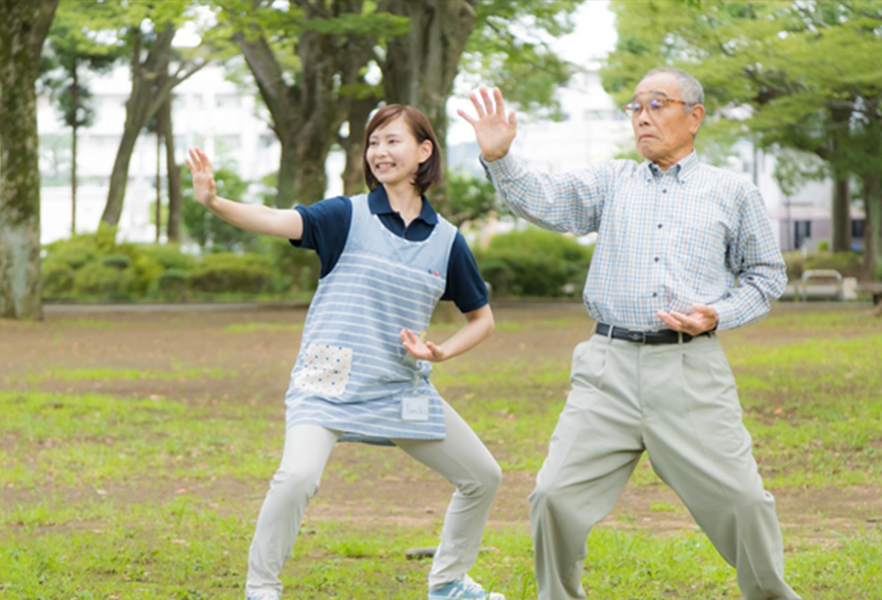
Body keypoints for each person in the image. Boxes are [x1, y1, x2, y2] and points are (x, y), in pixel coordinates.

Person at [458, 68, 802, 600]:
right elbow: (547, 201)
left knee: (744, 501)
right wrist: (500, 158)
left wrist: (718, 313)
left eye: (657, 104)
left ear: (694, 116)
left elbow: (766, 274)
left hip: (690, 371)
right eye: (635, 106)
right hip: (607, 367)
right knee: (553, 495)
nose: (642, 116)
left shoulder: (732, 191)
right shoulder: (612, 181)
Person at [188, 104, 505, 600]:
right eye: (373, 142)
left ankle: (448, 584)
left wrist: (441, 353)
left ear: (424, 151)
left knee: (483, 476)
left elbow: (481, 319)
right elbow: (275, 219)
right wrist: (215, 203)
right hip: (327, 383)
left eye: (392, 141)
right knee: (296, 478)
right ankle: (261, 589)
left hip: (400, 388)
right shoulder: (345, 215)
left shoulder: (446, 241)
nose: (379, 151)